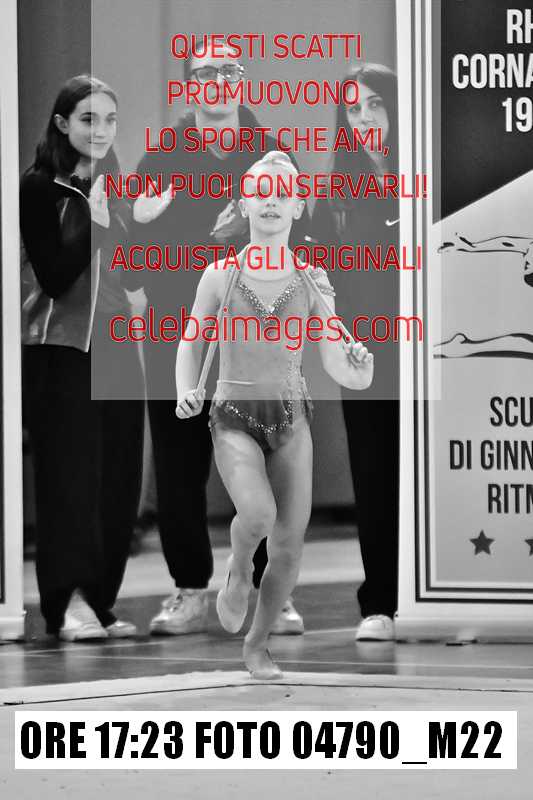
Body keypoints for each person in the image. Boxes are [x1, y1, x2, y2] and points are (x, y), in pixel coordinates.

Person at [129, 41, 309, 636]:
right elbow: (135, 247)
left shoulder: (271, 154)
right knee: (179, 463)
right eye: (206, 71)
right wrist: (159, 228)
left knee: (266, 462)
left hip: (258, 332)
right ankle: (188, 590)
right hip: (179, 327)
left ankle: (272, 590)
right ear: (189, 84)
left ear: (242, 79)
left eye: (230, 69)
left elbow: (298, 235)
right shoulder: (163, 156)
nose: (219, 80)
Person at [175, 151, 374, 678]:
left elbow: (335, 356)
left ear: (298, 206)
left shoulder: (311, 278)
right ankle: (238, 567)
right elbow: (191, 341)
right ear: (242, 204)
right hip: (233, 416)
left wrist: (358, 369)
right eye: (260, 192)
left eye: (282, 193)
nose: (270, 201)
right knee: (259, 515)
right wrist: (186, 390)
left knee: (288, 545)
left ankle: (258, 644)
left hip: (291, 419)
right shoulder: (220, 274)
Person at [20, 75, 144, 641]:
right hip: (63, 350)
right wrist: (95, 226)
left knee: (119, 478)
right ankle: (65, 600)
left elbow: (131, 275)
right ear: (62, 123)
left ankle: (100, 600)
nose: (101, 130)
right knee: (68, 478)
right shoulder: (39, 188)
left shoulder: (114, 186)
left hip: (116, 346)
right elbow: (54, 276)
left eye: (110, 120)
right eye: (89, 119)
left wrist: (144, 227)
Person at [312, 63, 400, 642]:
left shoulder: (428, 181)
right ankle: (381, 602)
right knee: (374, 474)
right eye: (353, 108)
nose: (365, 118)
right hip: (364, 355)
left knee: (424, 474)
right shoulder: (335, 195)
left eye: (375, 104)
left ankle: (436, 594)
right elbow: (324, 283)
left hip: (426, 354)